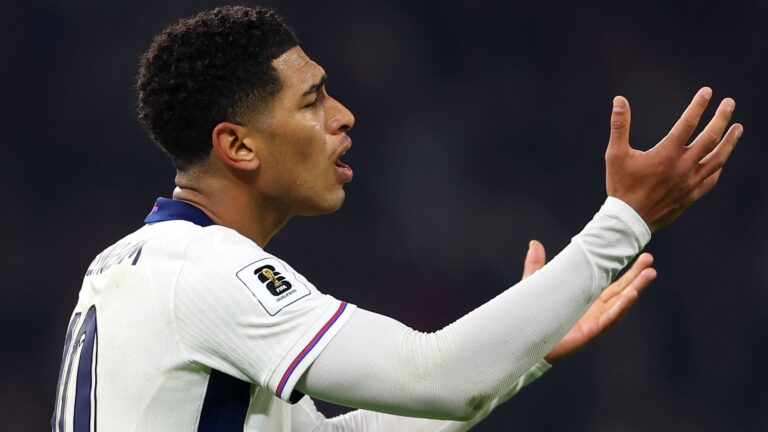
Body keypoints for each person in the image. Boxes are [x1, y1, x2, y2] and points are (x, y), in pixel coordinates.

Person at [50, 5, 742, 432]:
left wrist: (522, 354)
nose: (343, 115)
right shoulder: (206, 269)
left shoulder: (135, 267)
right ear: (238, 146)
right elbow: (435, 375)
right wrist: (624, 221)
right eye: (312, 100)